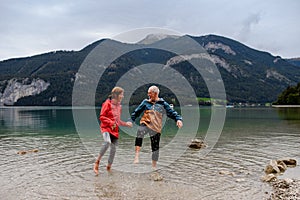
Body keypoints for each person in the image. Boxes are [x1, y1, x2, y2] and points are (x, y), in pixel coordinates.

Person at [131, 85, 183, 169]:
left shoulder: (162, 103)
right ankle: (136, 156)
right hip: (146, 123)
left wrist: (178, 119)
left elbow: (172, 112)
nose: (148, 95)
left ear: (155, 93)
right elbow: (136, 112)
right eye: (148, 94)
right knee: (140, 131)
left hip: (156, 127)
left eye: (149, 94)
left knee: (155, 147)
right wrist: (130, 121)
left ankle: (154, 167)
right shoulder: (145, 102)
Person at [94, 86, 132, 175]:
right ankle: (97, 162)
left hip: (115, 130)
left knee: (113, 149)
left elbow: (118, 121)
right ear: (116, 95)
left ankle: (109, 168)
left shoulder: (119, 106)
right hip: (106, 128)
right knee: (107, 142)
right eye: (121, 94)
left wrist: (126, 124)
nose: (122, 96)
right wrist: (111, 122)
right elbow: (102, 117)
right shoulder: (107, 104)